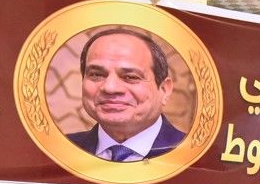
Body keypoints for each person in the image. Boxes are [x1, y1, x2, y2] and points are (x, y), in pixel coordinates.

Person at [65, 28, 185, 162]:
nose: (110, 88)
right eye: (96, 75)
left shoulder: (196, 157)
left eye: (130, 77)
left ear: (164, 90)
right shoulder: (60, 152)